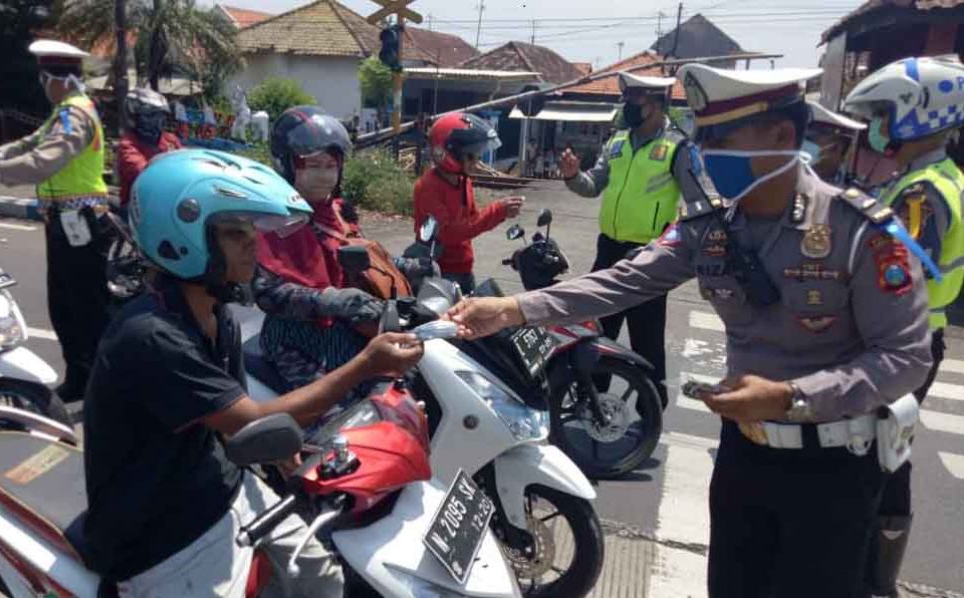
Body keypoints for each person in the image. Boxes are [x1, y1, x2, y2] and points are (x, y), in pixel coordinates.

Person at [446, 63, 933, 598]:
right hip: (744, 455)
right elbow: (625, 280)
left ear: (781, 135)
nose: (705, 151)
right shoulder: (713, 226)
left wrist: (792, 397)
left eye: (721, 138)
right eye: (703, 136)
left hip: (834, 467)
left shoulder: (859, 232)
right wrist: (513, 308)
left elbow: (905, 358)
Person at [81, 148, 423, 597]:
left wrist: (279, 452)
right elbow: (253, 418)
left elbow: (232, 422)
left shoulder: (215, 313)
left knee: (321, 578)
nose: (252, 244)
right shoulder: (151, 336)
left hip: (219, 486)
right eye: (233, 232)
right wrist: (366, 365)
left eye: (251, 231)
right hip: (159, 535)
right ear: (181, 237)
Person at [844, 54, 964, 598]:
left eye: (886, 114)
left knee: (875, 457)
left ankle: (868, 577)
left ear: (921, 113)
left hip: (898, 341)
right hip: (914, 337)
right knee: (889, 451)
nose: (879, 126)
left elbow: (900, 271)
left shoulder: (923, 192)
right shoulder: (929, 179)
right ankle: (873, 577)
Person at [254, 106, 430, 427]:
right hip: (295, 337)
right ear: (287, 164)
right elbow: (267, 293)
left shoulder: (337, 211)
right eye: (312, 165)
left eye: (330, 165)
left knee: (399, 387)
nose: (324, 174)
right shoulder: (272, 220)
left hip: (348, 326)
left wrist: (408, 266)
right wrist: (329, 300)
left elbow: (359, 254)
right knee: (339, 422)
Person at [0, 40, 115, 403]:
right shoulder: (63, 112)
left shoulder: (76, 114)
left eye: (43, 79)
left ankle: (105, 389)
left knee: (88, 311)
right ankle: (81, 380)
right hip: (64, 222)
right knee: (64, 308)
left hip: (80, 222)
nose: (42, 86)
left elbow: (45, 161)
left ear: (57, 80)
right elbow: (26, 146)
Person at [557, 72, 708, 407]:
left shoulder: (679, 148)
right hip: (608, 250)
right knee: (595, 331)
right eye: (626, 99)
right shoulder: (617, 142)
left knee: (647, 339)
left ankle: (651, 409)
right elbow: (592, 185)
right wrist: (572, 176)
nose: (628, 106)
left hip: (649, 257)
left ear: (656, 104)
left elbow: (698, 206)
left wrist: (672, 248)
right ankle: (590, 402)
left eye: (635, 100)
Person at [413, 112, 523, 294]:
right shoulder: (428, 187)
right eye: (471, 156)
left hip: (464, 269)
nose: (477, 162)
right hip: (440, 273)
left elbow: (472, 222)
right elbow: (447, 233)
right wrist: (497, 211)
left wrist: (502, 212)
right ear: (449, 154)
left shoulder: (463, 181)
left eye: (478, 155)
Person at [116, 87, 181, 212]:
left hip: (169, 203)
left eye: (161, 115)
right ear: (134, 116)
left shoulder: (170, 140)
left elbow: (187, 161)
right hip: (137, 208)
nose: (158, 120)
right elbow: (144, 174)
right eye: (151, 115)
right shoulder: (128, 144)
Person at [803, 101, 866, 185]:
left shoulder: (848, 190)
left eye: (810, 138)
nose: (803, 144)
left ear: (836, 147)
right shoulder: (790, 181)